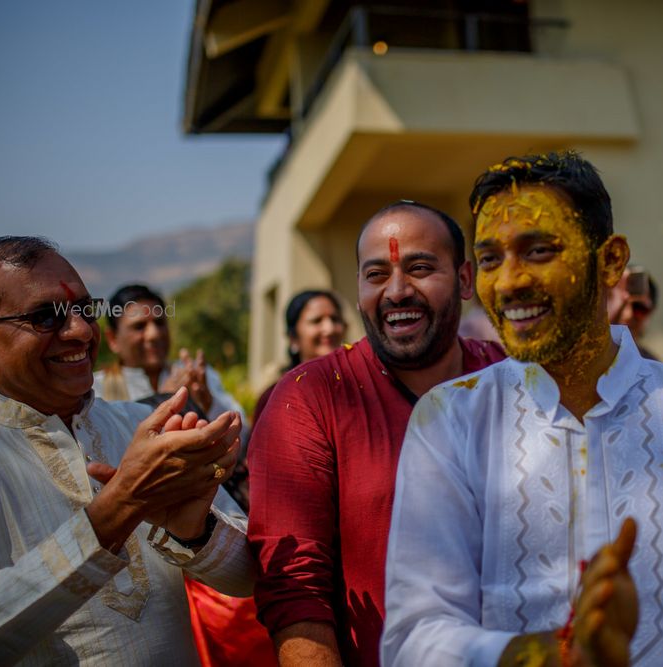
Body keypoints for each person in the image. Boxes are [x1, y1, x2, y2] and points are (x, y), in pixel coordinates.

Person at [381, 152, 663, 667]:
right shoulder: (450, 420)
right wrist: (547, 656)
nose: (509, 282)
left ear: (610, 261)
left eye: (538, 250)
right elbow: (415, 637)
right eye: (490, 258)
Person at [0, 236, 254, 665]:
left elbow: (249, 577)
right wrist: (117, 510)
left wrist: (194, 531)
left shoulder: (146, 426)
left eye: (86, 309)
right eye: (45, 317)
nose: (81, 331)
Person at [247, 201, 505, 666]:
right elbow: (295, 589)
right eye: (376, 274)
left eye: (421, 268)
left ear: (466, 280)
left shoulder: (515, 379)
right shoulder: (309, 399)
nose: (398, 291)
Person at [94, 283, 249, 437]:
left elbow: (244, 433)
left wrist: (209, 403)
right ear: (113, 338)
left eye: (159, 323)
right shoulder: (95, 390)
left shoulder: (196, 375)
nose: (154, 334)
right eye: (139, 326)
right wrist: (162, 401)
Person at [252, 289, 346, 424]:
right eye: (316, 321)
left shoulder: (357, 387)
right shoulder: (275, 397)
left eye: (335, 319)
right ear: (293, 338)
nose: (329, 328)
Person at [608, 264, 659, 359]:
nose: (628, 315)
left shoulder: (652, 366)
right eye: (622, 305)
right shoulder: (580, 361)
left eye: (639, 309)